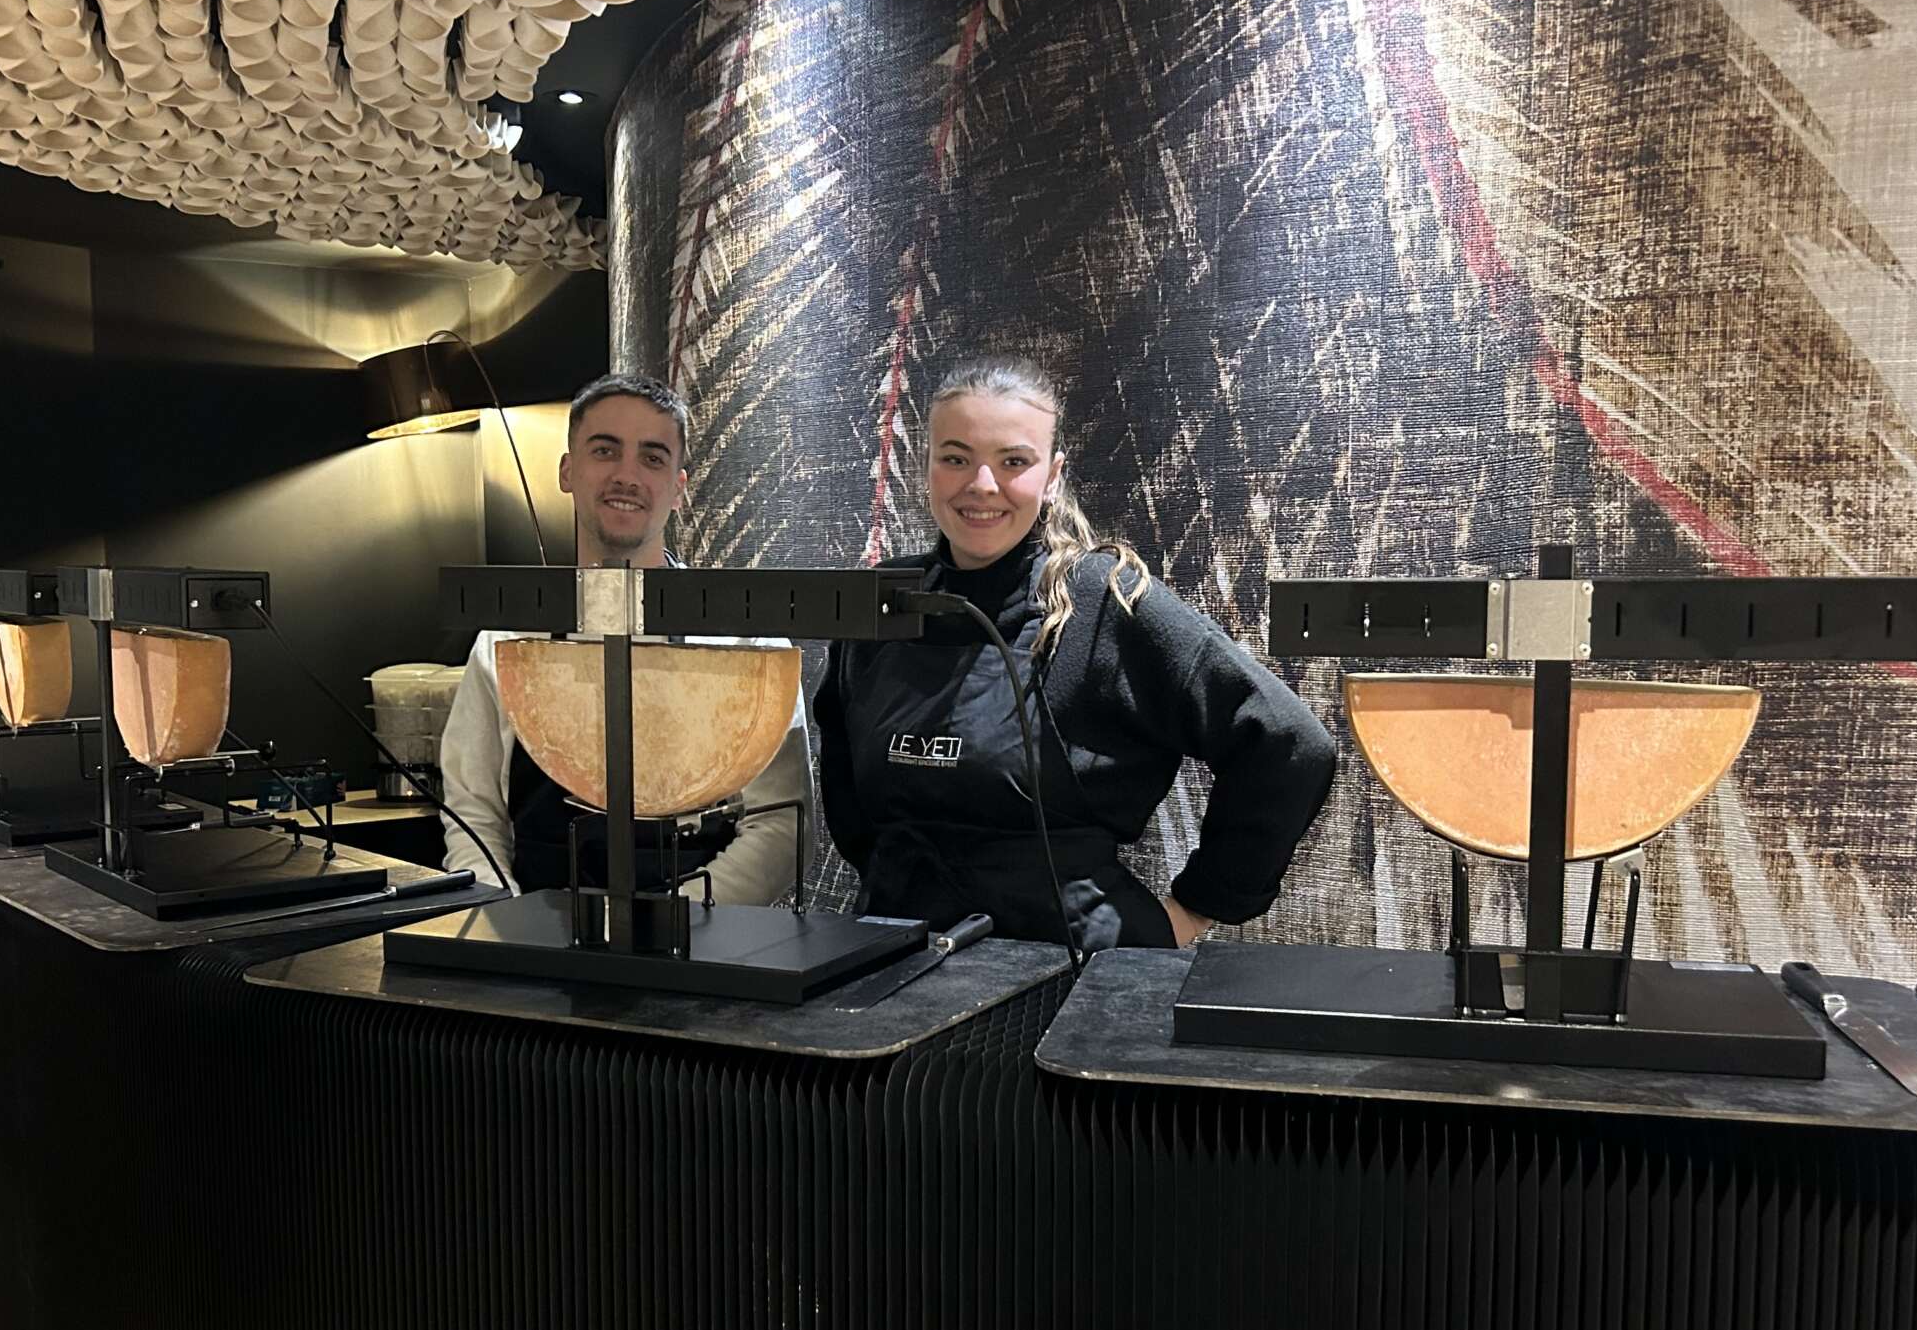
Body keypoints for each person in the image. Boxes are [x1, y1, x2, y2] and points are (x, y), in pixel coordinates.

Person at [814, 353, 1335, 951]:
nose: (981, 484)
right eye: (955, 458)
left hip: (1072, 973)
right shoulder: (880, 605)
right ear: (926, 465)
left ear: (1053, 475)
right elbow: (847, 791)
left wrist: (1199, 906)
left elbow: (1288, 743)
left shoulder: (1105, 602)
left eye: (1013, 462)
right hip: (897, 957)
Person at [440, 371, 807, 902]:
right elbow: (472, 813)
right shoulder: (509, 638)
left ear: (678, 488)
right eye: (605, 450)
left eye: (652, 458)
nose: (626, 476)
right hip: (540, 933)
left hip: (704, 936)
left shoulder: (746, 643)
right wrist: (508, 919)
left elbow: (782, 826)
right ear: (568, 470)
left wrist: (674, 924)